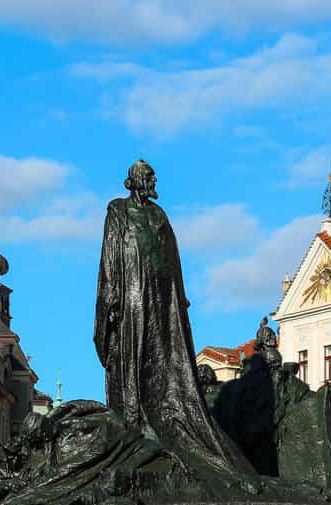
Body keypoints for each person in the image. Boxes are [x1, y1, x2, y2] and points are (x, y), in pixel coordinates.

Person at [94, 160, 253, 473]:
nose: (154, 180)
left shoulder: (159, 215)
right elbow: (110, 254)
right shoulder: (118, 211)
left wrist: (178, 298)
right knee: (134, 358)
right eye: (149, 175)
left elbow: (173, 257)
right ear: (135, 181)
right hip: (132, 298)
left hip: (161, 301)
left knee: (164, 359)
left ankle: (164, 417)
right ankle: (134, 420)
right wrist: (112, 296)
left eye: (154, 175)